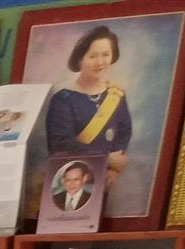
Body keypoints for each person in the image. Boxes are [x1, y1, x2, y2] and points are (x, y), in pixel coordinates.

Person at [44, 25, 130, 184]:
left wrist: (114, 169)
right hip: (72, 178)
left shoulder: (116, 94)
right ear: (80, 59)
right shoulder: (62, 99)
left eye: (106, 55)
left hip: (106, 178)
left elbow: (123, 133)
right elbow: (62, 145)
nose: (100, 62)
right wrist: (106, 159)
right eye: (92, 56)